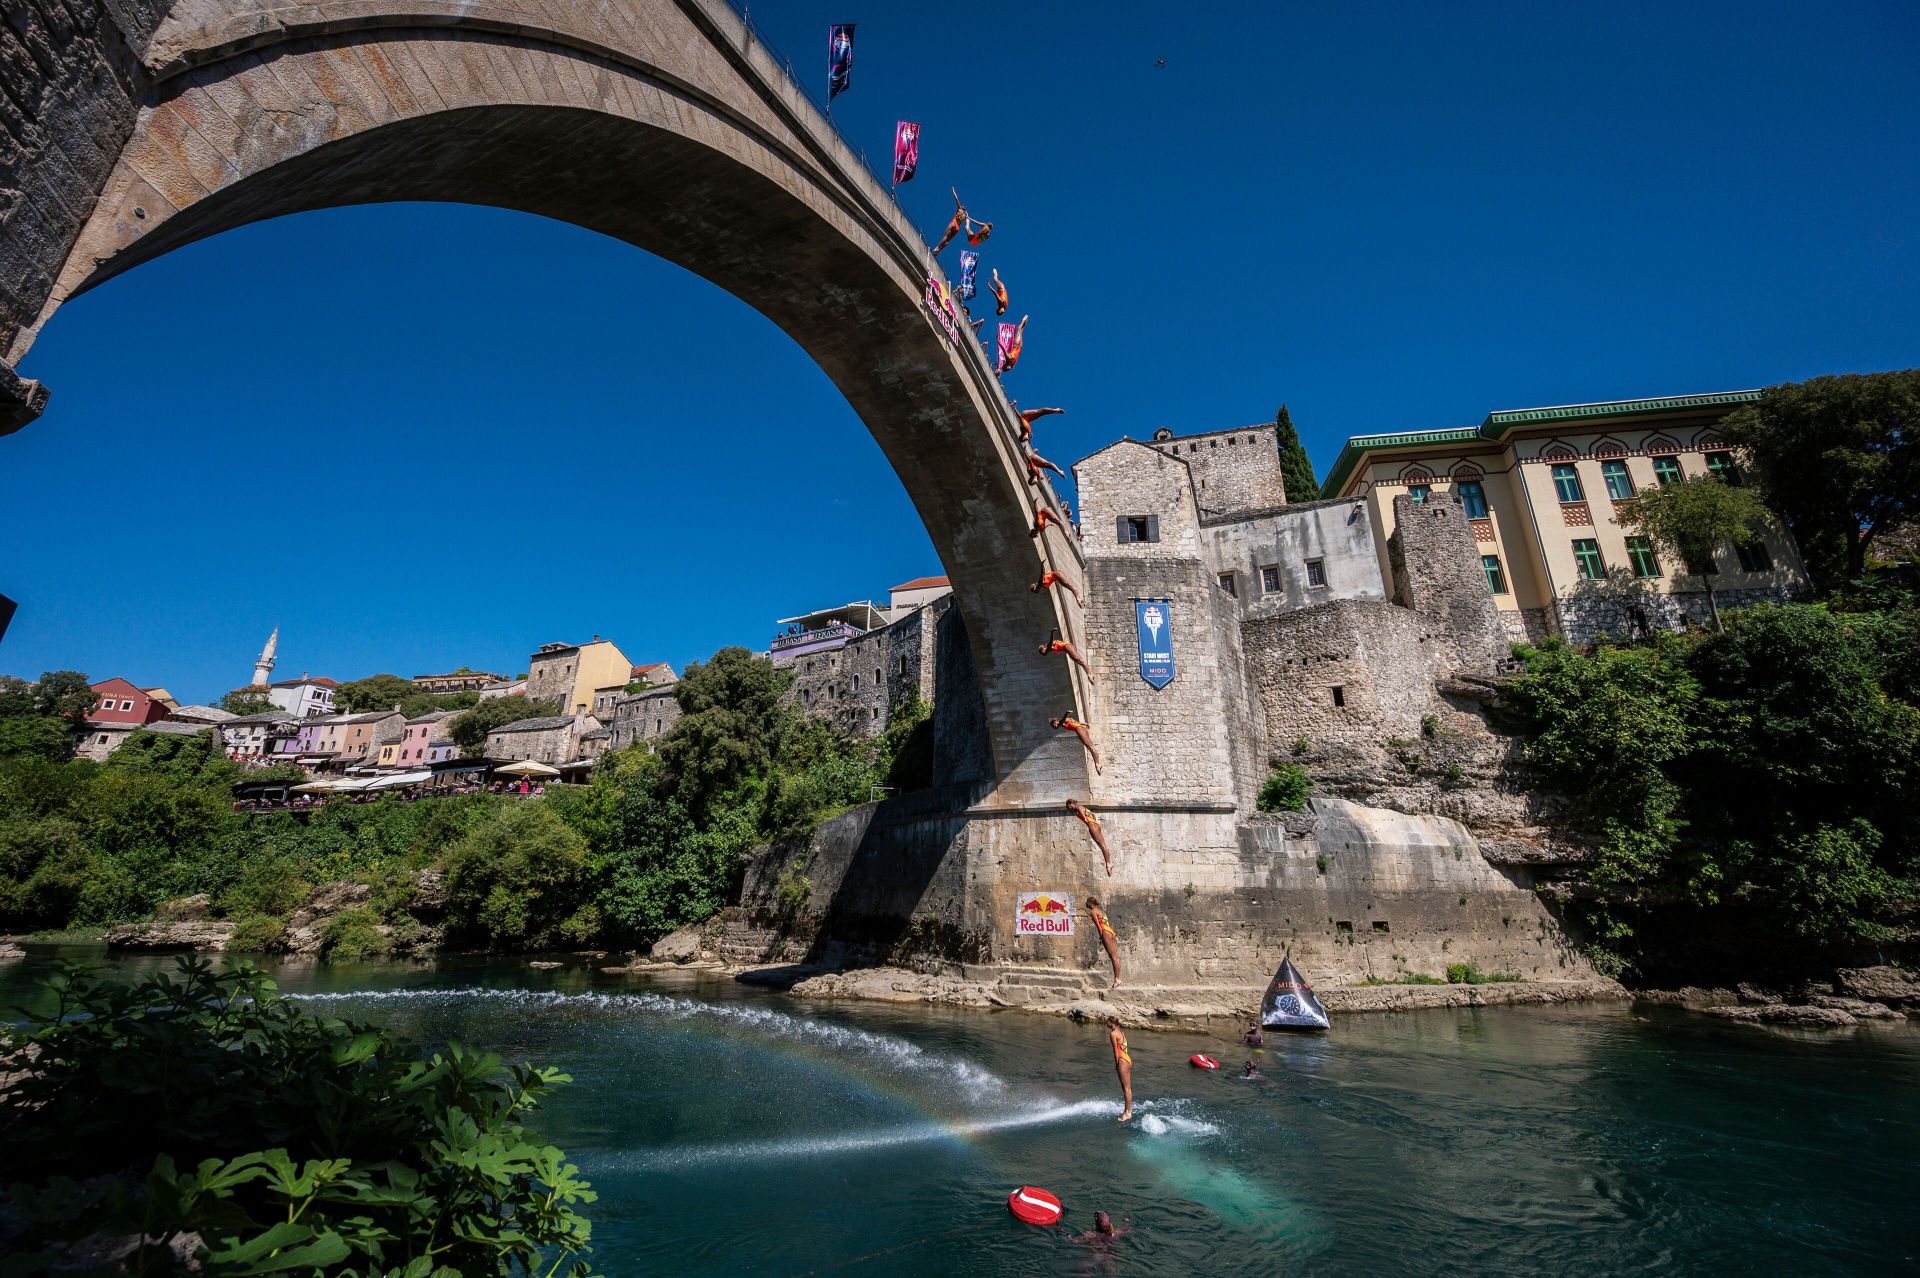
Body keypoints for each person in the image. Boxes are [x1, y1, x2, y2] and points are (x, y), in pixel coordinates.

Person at [1067, 799, 1115, 876]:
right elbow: (1092, 815)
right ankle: (1108, 863)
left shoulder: (1079, 807)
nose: (1069, 808)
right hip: (1094, 825)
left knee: (1103, 846)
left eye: (1069, 806)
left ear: (1071, 803)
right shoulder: (1083, 807)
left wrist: (1087, 821)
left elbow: (1084, 816)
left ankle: (1109, 864)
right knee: (1101, 846)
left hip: (1092, 826)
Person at [1085, 894, 1122, 986]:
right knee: (1115, 957)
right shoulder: (1101, 911)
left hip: (1105, 932)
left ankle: (1117, 979)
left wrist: (1101, 937)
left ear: (1090, 903)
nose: (1086, 905)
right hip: (1110, 931)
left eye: (1087, 903)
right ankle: (1117, 978)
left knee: (1113, 957)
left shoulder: (1093, 912)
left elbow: (1098, 926)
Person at [1107, 1018, 1133, 1122]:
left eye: (1108, 1021)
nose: (1106, 1023)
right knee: (1128, 1088)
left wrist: (1117, 1064)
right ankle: (1127, 1111)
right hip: (1127, 1059)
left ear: (1112, 1023)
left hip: (1122, 1060)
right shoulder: (1121, 1032)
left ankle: (1127, 1113)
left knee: (1125, 1089)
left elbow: (1115, 1052)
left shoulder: (1113, 1034)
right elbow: (1124, 1047)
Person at [933, 187, 968, 255]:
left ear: (962, 208)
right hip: (957, 228)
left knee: (946, 236)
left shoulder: (959, 209)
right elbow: (967, 224)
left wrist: (953, 191)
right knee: (948, 241)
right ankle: (939, 251)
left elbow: (956, 199)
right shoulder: (965, 216)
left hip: (954, 223)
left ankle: (937, 247)